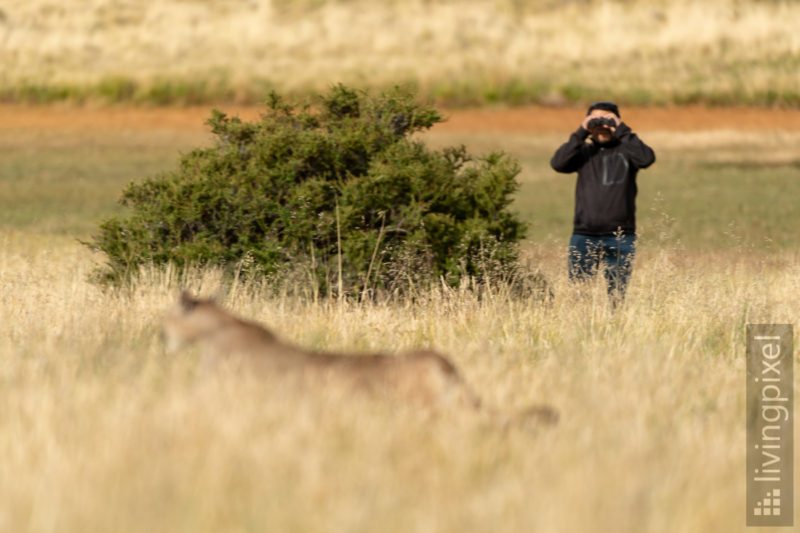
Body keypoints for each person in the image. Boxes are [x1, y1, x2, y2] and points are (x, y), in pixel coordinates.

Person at [550, 101, 656, 301]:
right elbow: (558, 163)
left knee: (617, 295)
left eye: (607, 120)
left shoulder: (627, 151)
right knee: (578, 295)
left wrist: (622, 130)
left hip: (620, 236)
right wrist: (581, 132)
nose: (602, 125)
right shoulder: (583, 153)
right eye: (596, 120)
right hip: (583, 234)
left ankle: (614, 329)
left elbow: (646, 159)